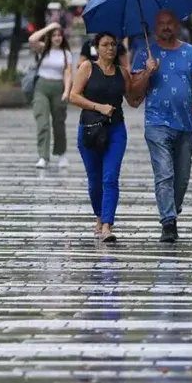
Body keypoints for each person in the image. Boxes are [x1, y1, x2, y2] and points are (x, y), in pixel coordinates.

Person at [130, 9, 192, 243]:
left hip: (185, 123)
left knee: (181, 177)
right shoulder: (145, 53)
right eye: (161, 23)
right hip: (156, 123)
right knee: (164, 173)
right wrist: (147, 71)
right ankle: (168, 223)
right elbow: (134, 92)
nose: (166, 27)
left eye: (170, 23)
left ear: (177, 26)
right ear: (155, 27)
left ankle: (172, 208)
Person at [69, 32, 139, 243]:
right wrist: (98, 107)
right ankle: (99, 217)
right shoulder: (87, 68)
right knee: (95, 180)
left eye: (114, 44)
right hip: (90, 130)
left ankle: (107, 225)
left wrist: (147, 74)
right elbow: (74, 95)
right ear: (96, 47)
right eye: (106, 44)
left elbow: (134, 101)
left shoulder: (122, 73)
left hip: (116, 130)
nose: (110, 48)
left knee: (110, 178)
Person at [27, 22, 73, 169]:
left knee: (59, 123)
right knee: (43, 122)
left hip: (58, 87)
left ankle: (61, 154)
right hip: (41, 87)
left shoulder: (66, 54)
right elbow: (32, 40)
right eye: (54, 35)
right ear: (50, 37)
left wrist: (66, 91)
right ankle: (43, 156)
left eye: (59, 35)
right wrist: (49, 27)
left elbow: (68, 74)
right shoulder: (43, 49)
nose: (57, 38)